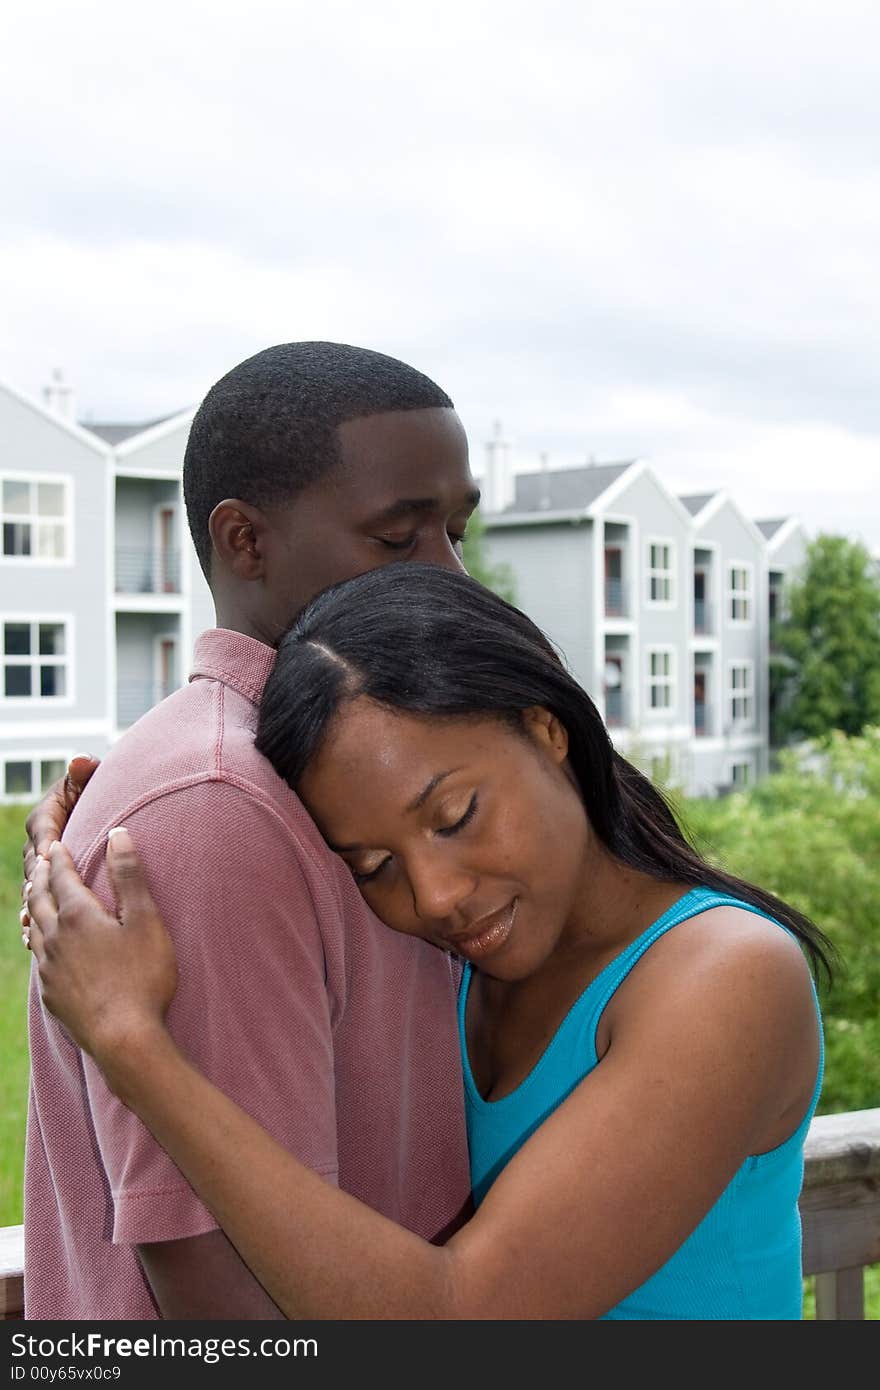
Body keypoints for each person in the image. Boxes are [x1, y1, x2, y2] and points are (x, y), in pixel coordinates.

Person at [25, 562, 835, 1320]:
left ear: (546, 729)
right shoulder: (446, 963)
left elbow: (460, 1315)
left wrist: (135, 1048)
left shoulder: (728, 977)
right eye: (374, 865)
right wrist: (107, 830)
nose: (436, 896)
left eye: (455, 817)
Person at [20, 342, 478, 1320]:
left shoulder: (330, 771)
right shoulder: (219, 811)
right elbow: (225, 1297)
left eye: (457, 530)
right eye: (399, 539)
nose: (450, 574)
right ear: (245, 542)